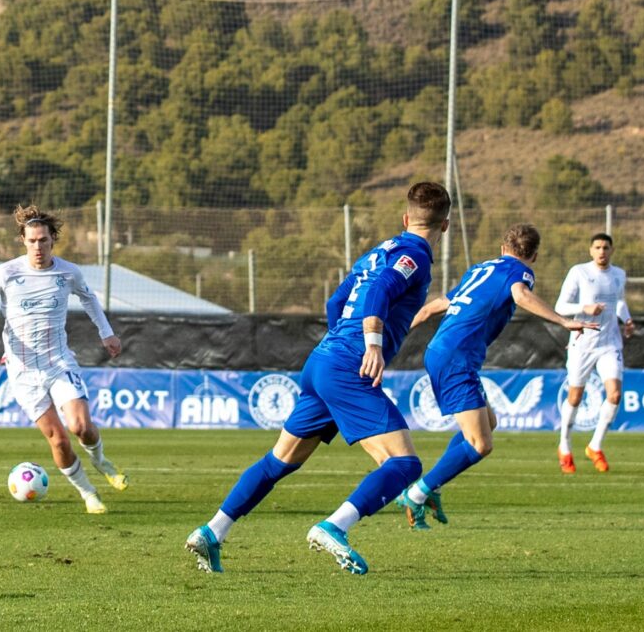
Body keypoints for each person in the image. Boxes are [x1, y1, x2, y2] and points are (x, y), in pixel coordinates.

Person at [186, 179, 448, 577]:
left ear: (405, 217)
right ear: (445, 226)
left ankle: (212, 531)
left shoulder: (379, 251)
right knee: (406, 465)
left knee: (282, 459)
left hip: (323, 360)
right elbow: (380, 289)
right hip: (349, 364)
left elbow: (335, 302)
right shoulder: (416, 255)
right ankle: (334, 527)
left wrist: (338, 341)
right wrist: (372, 345)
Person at [396, 224, 590, 529]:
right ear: (535, 256)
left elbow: (433, 307)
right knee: (481, 444)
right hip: (456, 357)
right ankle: (418, 493)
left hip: (445, 352)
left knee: (488, 424)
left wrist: (393, 337)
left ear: (503, 248)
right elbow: (521, 295)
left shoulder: (480, 270)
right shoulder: (520, 272)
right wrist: (563, 321)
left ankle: (431, 487)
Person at [0, 204, 127, 516]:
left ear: (52, 239)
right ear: (23, 240)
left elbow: (90, 299)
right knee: (58, 441)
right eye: (32, 241)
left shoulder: (68, 272)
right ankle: (88, 493)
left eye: (43, 240)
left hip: (59, 363)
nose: (38, 246)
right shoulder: (7, 273)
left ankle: (101, 460)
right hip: (23, 371)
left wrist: (106, 333)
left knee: (80, 427)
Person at [554, 231, 635, 472]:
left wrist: (627, 320)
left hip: (610, 344)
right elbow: (560, 306)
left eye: (606, 247)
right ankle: (564, 445)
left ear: (612, 251)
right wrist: (584, 308)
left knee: (615, 395)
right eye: (597, 247)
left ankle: (595, 446)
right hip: (583, 343)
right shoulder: (579, 272)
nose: (602, 251)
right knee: (575, 397)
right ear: (591, 250)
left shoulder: (619, 274)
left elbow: (619, 302)